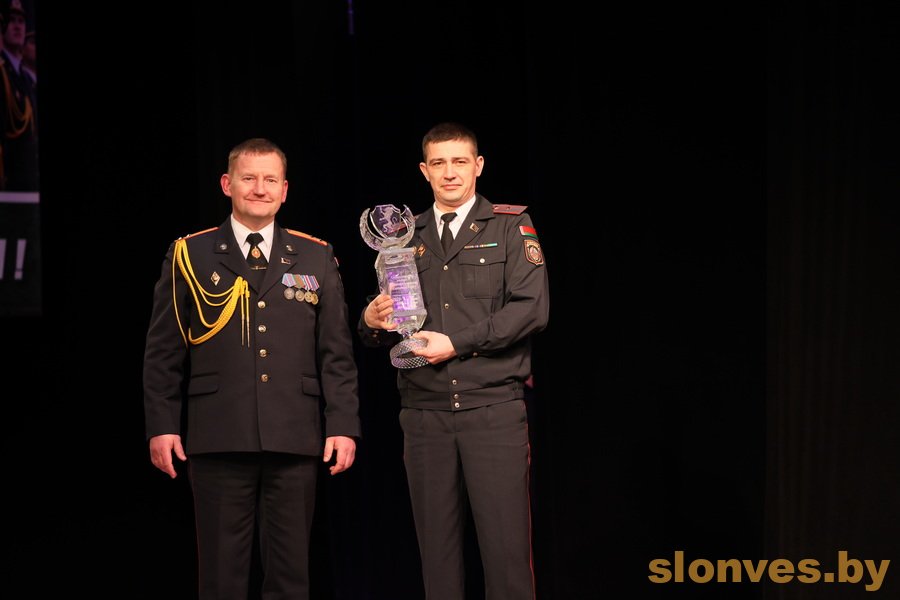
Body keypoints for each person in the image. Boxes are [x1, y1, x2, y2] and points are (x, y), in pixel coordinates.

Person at [144, 137, 361, 600]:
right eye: (248, 178)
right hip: (218, 433)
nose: (259, 189)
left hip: (294, 434)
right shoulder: (191, 254)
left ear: (285, 190)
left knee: (290, 578)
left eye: (270, 180)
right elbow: (163, 351)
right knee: (221, 578)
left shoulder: (315, 255)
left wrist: (342, 424)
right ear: (227, 184)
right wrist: (162, 425)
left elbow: (336, 353)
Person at [359, 122, 550, 600]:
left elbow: (531, 310)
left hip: (492, 411)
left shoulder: (510, 226)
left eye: (460, 161)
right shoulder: (404, 236)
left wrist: (456, 344)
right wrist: (371, 320)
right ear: (424, 171)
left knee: (506, 559)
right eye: (438, 163)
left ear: (478, 166)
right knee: (438, 563)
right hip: (425, 416)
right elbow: (389, 323)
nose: (449, 173)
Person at [0, 0, 38, 191]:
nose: (17, 26)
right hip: (10, 182)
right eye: (12, 21)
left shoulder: (24, 78)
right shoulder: (2, 73)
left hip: (28, 180)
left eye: (21, 21)